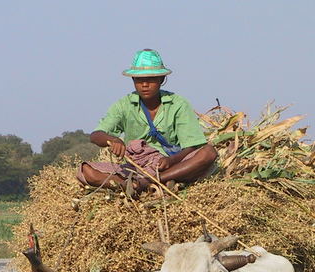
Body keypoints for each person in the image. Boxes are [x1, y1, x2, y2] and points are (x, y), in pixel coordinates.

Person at [77, 49, 217, 197]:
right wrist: (112, 140)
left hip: (171, 165)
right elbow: (96, 135)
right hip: (136, 168)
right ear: (133, 80)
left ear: (161, 79)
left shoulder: (178, 104)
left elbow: (192, 145)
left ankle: (150, 182)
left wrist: (171, 160)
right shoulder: (124, 105)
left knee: (209, 153)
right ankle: (134, 184)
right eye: (139, 80)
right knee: (87, 171)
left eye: (150, 79)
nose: (144, 84)